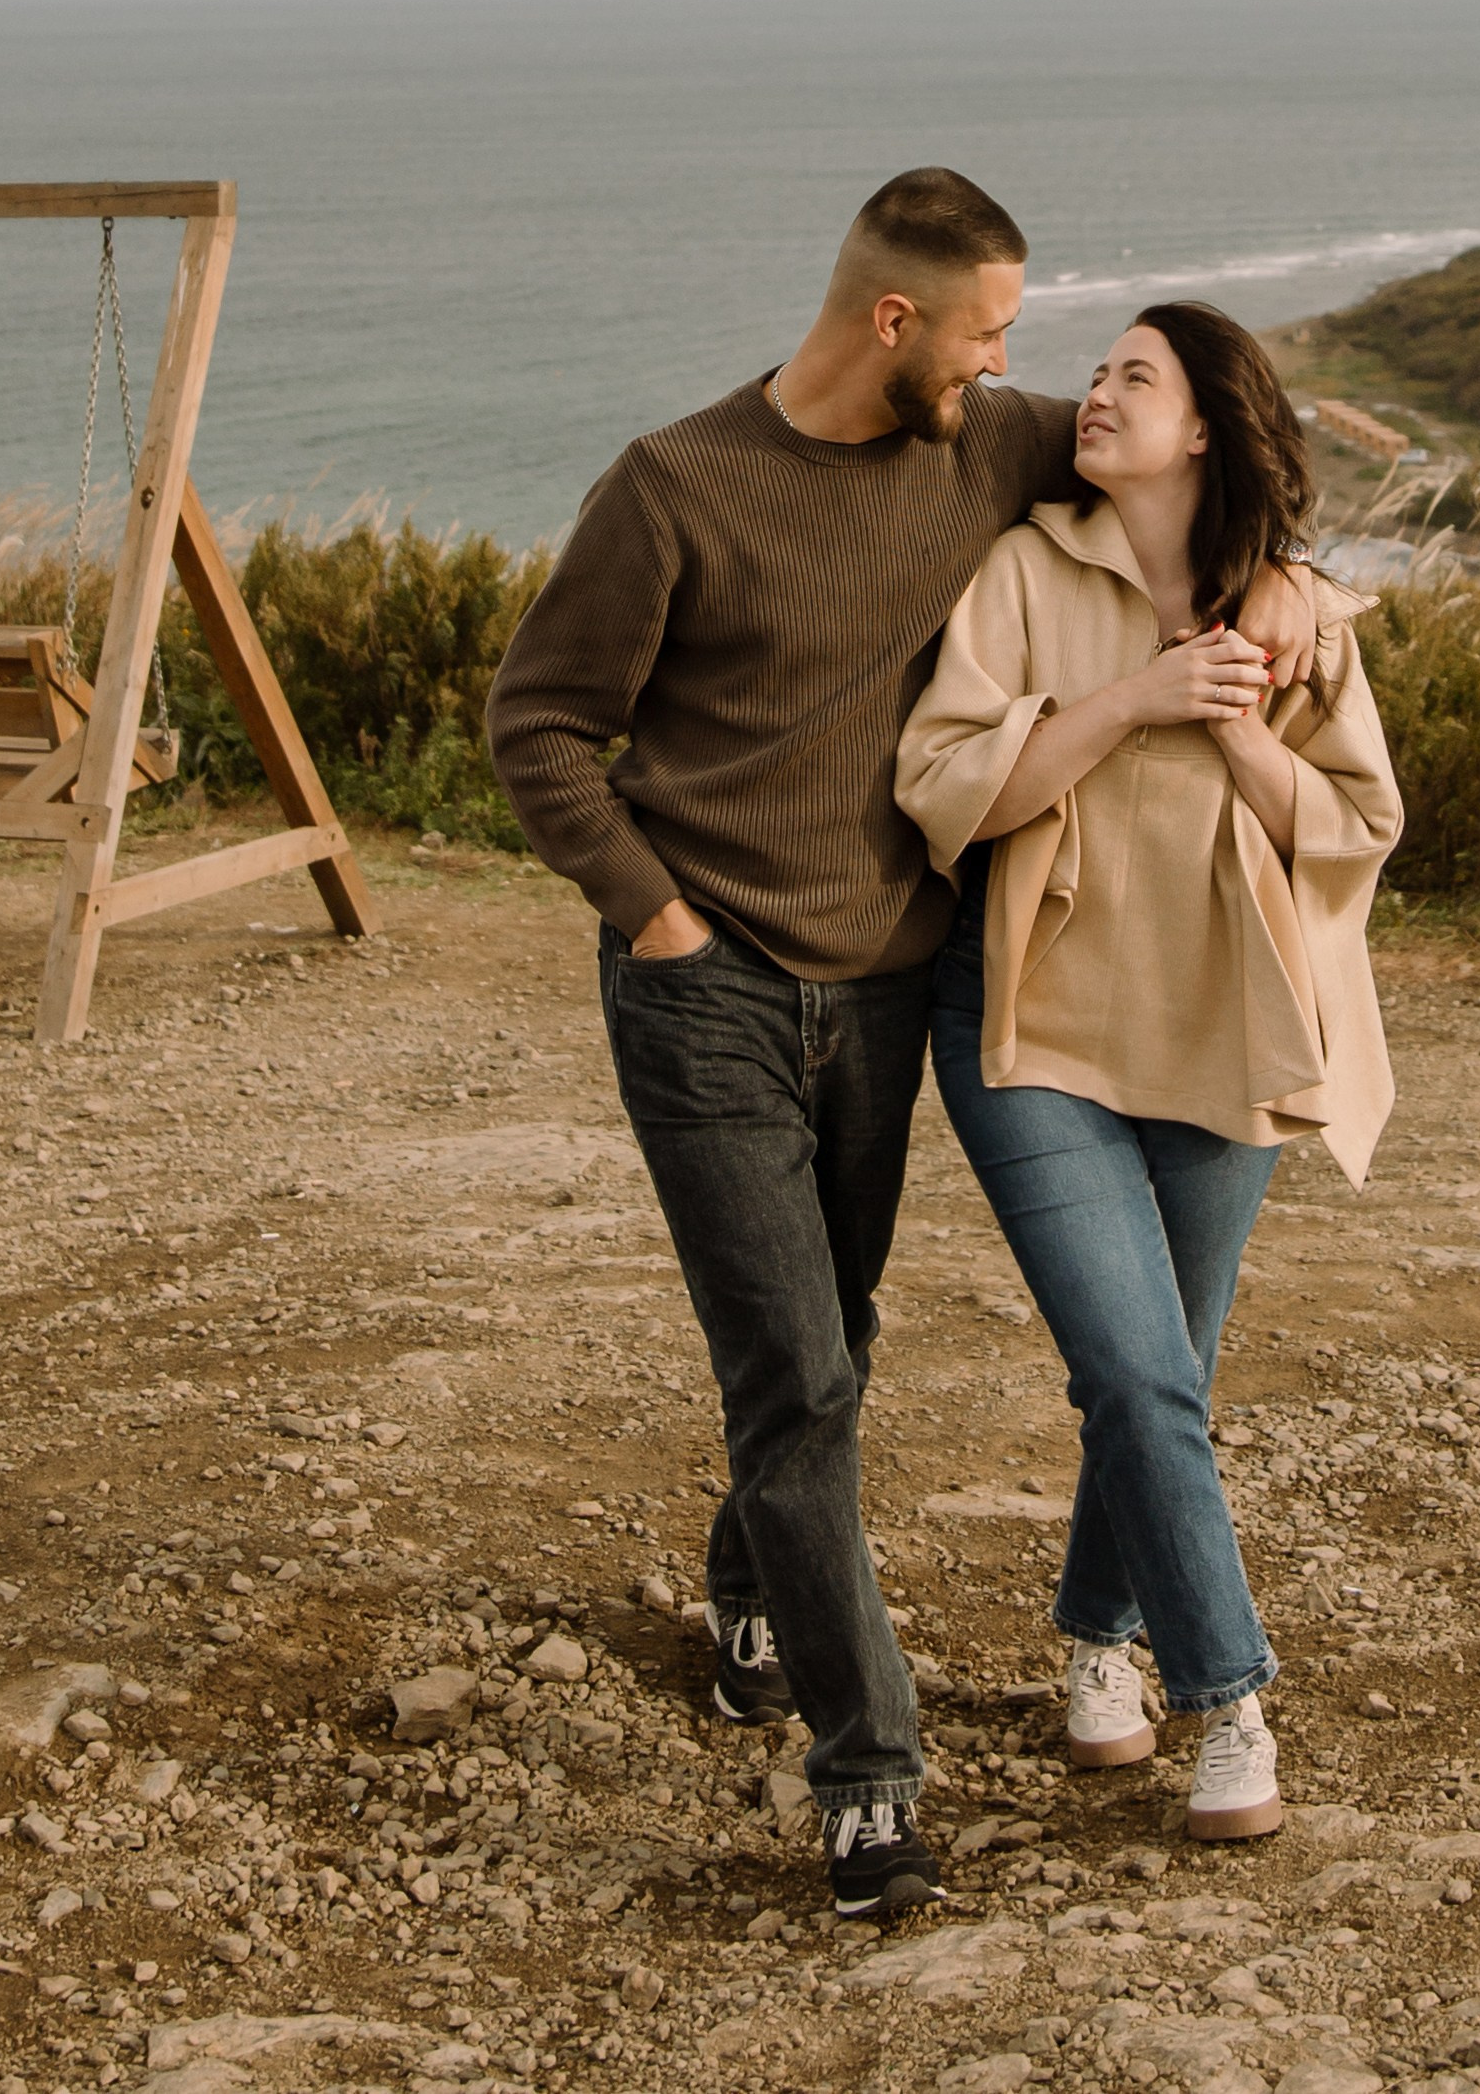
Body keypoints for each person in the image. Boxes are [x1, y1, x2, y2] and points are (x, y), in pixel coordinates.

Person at [484, 174, 1318, 1919]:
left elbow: (1188, 470)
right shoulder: (672, 487)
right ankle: (867, 1783)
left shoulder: (986, 442)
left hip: (882, 993)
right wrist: (656, 917)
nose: (1012, 366)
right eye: (988, 332)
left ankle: (746, 1593)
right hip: (704, 990)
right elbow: (540, 725)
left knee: (833, 1339)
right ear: (894, 322)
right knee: (797, 1372)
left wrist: (1291, 584)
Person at [896, 302, 1400, 1842]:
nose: (1095, 394)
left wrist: (1238, 728)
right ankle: (1227, 1700)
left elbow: (1356, 825)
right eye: (1097, 371)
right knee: (1129, 1369)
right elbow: (945, 789)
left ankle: (1097, 1641)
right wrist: (1129, 702)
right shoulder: (1025, 570)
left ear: (1203, 429)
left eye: (1135, 376)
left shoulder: (1291, 615)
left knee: (1161, 1377)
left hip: (1223, 1025)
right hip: (1029, 1027)